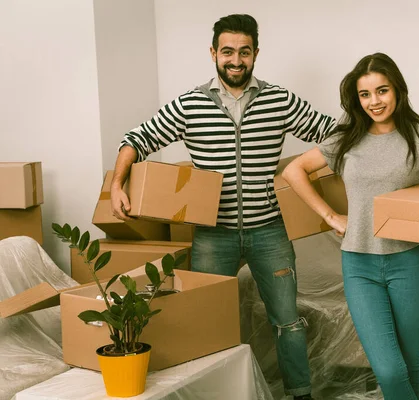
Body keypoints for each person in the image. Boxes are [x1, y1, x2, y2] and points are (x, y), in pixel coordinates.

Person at [110, 14, 336, 400]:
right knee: (206, 322)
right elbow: (137, 138)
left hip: (270, 232)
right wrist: (117, 184)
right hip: (213, 236)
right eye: (227, 51)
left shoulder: (279, 99)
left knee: (288, 323)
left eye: (244, 52)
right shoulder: (190, 104)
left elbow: (331, 133)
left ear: (255, 54)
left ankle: (300, 394)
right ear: (213, 53)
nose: (236, 60)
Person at [282, 52, 419, 399]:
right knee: (389, 370)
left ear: (397, 90)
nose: (374, 101)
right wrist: (330, 216)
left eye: (382, 91)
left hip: (411, 265)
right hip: (359, 265)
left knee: (410, 365)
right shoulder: (347, 138)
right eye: (365, 94)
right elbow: (293, 171)